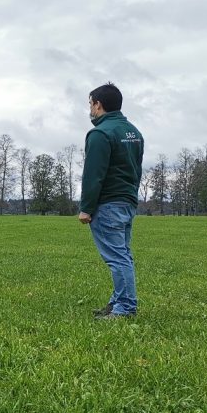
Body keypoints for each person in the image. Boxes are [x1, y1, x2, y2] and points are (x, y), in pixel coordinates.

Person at [79, 82, 144, 318]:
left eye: (90, 104)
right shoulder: (134, 132)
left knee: (117, 258)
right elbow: (136, 170)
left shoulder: (100, 133)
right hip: (127, 202)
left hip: (107, 204)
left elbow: (93, 175)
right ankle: (118, 301)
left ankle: (125, 308)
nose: (90, 109)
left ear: (98, 104)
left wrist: (86, 208)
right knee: (123, 254)